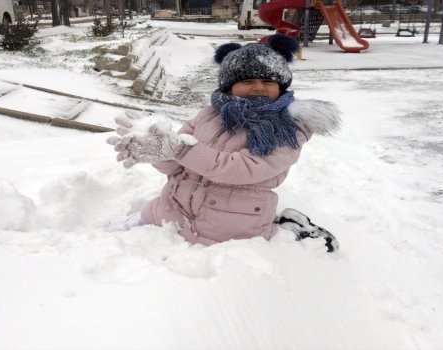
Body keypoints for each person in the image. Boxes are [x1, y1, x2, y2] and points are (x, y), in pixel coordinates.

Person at [107, 34, 341, 249]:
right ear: (230, 86)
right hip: (172, 207)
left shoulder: (289, 128)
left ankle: (291, 232)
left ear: (280, 86)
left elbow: (242, 169)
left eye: (268, 81)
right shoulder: (208, 114)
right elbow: (177, 161)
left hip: (229, 224)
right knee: (113, 241)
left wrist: (179, 150)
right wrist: (157, 151)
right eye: (248, 80)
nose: (259, 87)